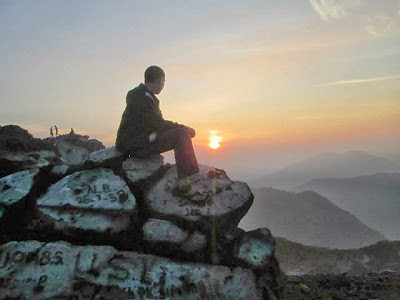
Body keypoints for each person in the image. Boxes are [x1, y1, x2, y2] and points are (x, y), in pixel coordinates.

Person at [116, 65, 199, 192]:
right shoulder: (142, 97)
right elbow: (158, 124)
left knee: (181, 133)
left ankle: (189, 175)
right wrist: (183, 128)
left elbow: (155, 123)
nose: (163, 85)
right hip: (135, 145)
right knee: (181, 135)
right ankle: (184, 180)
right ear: (160, 80)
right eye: (163, 82)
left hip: (136, 142)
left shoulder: (142, 96)